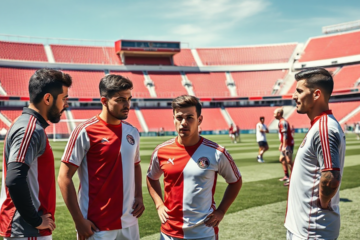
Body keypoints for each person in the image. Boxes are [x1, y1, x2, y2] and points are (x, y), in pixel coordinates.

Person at [58, 75, 144, 240]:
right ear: (104, 101)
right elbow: (64, 177)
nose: (127, 105)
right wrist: (78, 221)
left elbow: (135, 165)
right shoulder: (84, 131)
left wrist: (139, 195)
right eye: (120, 100)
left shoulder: (132, 132)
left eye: (129, 99)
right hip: (96, 226)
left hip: (130, 222)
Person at [147, 95, 242, 240]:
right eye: (179, 118)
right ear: (173, 118)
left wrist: (222, 210)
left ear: (199, 120)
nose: (183, 123)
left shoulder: (217, 152)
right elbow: (151, 178)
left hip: (204, 233)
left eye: (189, 117)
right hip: (169, 233)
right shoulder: (161, 151)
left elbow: (235, 181)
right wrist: (159, 204)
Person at [0, 69, 72, 239]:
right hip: (28, 230)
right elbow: (15, 178)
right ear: (48, 99)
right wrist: (36, 221)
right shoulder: (29, 129)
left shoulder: (28, 125)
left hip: (28, 229)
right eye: (64, 99)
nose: (66, 105)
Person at [285, 68, 345, 240]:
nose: (294, 96)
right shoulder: (320, 125)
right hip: (306, 227)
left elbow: (331, 178)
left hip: (312, 229)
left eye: (299, 91)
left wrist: (323, 203)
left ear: (317, 94)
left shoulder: (324, 129)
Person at [274, 108, 294, 186]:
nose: (273, 115)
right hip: (285, 144)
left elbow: (285, 135)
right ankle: (286, 175)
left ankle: (293, 178)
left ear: (279, 113)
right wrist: (281, 144)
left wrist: (284, 146)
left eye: (274, 113)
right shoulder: (280, 122)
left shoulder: (283, 122)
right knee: (282, 159)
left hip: (288, 144)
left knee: (288, 161)